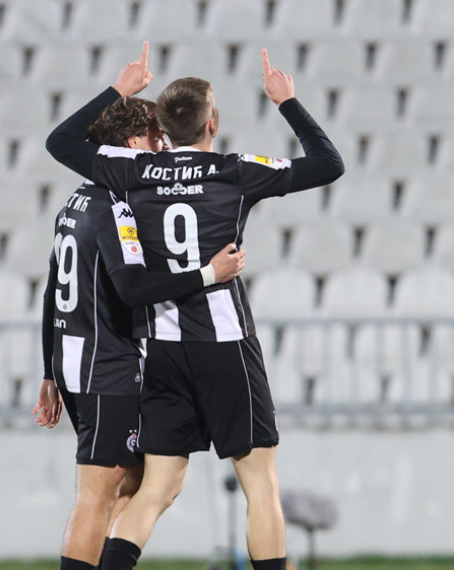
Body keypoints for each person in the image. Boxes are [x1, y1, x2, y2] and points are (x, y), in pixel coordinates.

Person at [45, 43, 344, 570]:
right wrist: (286, 101)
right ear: (213, 124)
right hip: (224, 342)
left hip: (161, 349)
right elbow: (328, 163)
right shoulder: (236, 171)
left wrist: (119, 89)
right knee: (260, 484)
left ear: (163, 125)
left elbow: (61, 141)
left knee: (156, 489)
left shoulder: (132, 170)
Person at [33, 96, 246, 570]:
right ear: (133, 143)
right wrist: (208, 274)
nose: (164, 147)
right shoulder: (114, 206)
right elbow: (133, 289)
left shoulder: (76, 201)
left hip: (78, 361)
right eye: (157, 138)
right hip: (105, 367)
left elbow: (52, 291)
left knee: (142, 483)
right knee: (100, 492)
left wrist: (49, 371)